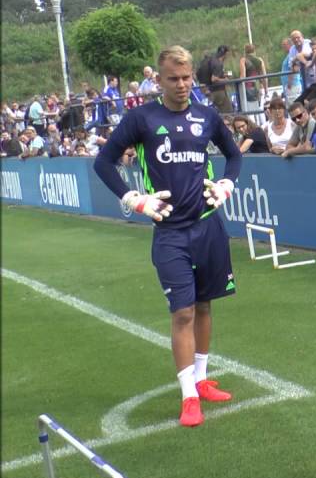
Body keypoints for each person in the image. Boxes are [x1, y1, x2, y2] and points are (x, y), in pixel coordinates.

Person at [91, 45, 243, 428]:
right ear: (158, 80)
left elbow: (234, 155)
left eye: (186, 77)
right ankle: (189, 396)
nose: (181, 84)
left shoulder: (207, 116)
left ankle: (203, 380)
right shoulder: (141, 118)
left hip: (208, 225)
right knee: (183, 312)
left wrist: (226, 184)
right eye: (173, 78)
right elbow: (103, 162)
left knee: (205, 306)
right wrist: (132, 198)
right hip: (170, 232)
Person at [200, 46, 233, 114]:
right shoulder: (218, 63)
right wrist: (225, 80)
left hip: (210, 90)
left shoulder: (211, 61)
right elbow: (214, 79)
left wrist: (224, 74)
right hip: (218, 91)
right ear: (226, 53)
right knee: (228, 112)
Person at [238, 43, 266, 121]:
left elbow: (243, 76)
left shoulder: (243, 60)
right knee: (260, 109)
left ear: (245, 51)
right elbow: (264, 76)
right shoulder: (260, 60)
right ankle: (262, 125)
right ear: (254, 50)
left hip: (248, 87)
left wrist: (239, 84)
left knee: (250, 111)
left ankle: (252, 126)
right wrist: (266, 89)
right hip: (259, 87)